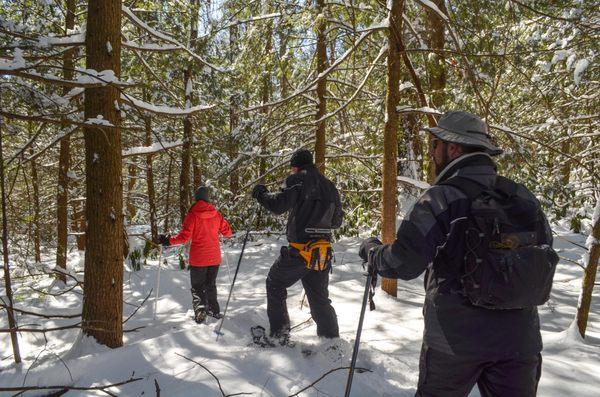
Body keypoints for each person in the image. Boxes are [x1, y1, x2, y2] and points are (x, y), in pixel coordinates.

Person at [359, 110, 556, 397]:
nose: (432, 152)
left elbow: (404, 263)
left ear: (453, 148)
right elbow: (545, 251)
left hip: (454, 342)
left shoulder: (441, 198)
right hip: (520, 341)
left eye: (435, 145)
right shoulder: (522, 197)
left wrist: (373, 253)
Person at [251, 149, 344, 343]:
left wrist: (261, 194)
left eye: (292, 168)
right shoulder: (330, 186)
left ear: (295, 166)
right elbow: (336, 223)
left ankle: (279, 335)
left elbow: (278, 205)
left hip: (300, 251)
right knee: (319, 299)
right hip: (322, 253)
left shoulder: (297, 180)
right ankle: (331, 341)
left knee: (274, 283)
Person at [159, 186, 232, 324]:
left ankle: (200, 311)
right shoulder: (216, 214)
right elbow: (228, 233)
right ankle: (214, 311)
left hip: (198, 258)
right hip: (214, 258)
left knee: (198, 286)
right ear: (207, 198)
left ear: (196, 198)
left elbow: (184, 237)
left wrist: (168, 240)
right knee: (210, 284)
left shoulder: (192, 215)